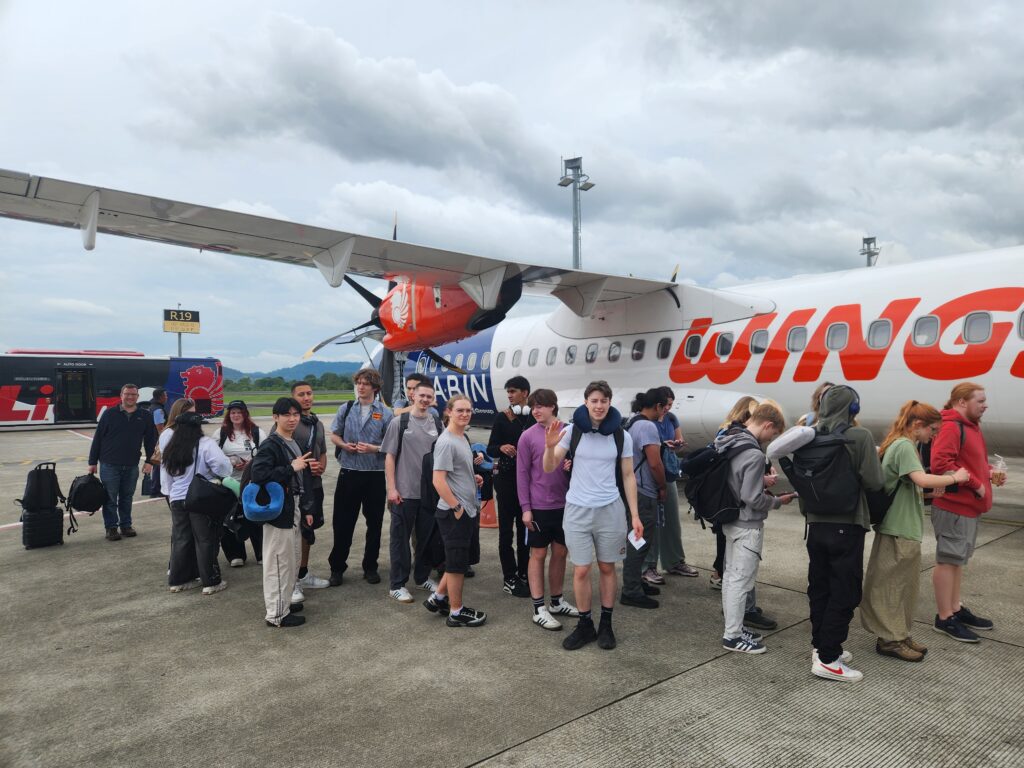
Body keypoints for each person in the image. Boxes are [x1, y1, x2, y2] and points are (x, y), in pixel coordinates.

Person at [861, 400, 970, 660]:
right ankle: (890, 640)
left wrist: (930, 492)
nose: (934, 436)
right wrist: (955, 478)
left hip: (902, 527)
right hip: (899, 528)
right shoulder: (904, 445)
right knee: (893, 587)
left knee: (901, 587)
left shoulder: (900, 443)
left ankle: (898, 634)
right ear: (918, 425)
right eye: (932, 430)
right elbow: (920, 478)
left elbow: (907, 485)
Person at [543, 381, 643, 651]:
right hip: (577, 509)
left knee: (608, 567)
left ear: (610, 402)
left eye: (604, 401)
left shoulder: (622, 436)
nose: (599, 406)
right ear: (586, 402)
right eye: (594, 400)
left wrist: (634, 515)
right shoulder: (571, 431)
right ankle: (585, 624)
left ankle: (606, 624)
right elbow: (549, 467)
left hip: (610, 509)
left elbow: (628, 476)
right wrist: (550, 447)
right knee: (582, 569)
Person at [803, 385, 883, 683]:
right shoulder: (859, 436)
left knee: (820, 586)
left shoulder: (807, 435)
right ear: (854, 409)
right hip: (847, 523)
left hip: (815, 524)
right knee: (845, 591)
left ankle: (821, 646)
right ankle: (828, 658)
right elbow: (874, 481)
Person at [715, 403, 795, 653]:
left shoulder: (731, 439)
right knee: (740, 582)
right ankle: (732, 636)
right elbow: (752, 498)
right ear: (768, 425)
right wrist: (777, 501)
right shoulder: (753, 454)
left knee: (731, 577)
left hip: (730, 518)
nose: (771, 439)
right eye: (773, 434)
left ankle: (735, 627)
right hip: (747, 524)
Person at [930, 382, 1003, 642]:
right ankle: (944, 618)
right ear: (962, 402)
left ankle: (955, 609)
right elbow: (940, 464)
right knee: (948, 560)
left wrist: (989, 472)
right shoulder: (952, 426)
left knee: (957, 560)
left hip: (968, 507)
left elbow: (969, 462)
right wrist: (976, 484)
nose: (985, 405)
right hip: (954, 507)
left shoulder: (970, 426)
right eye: (980, 401)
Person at [516, 389, 579, 630]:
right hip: (539, 506)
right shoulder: (527, 436)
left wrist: (572, 464)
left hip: (566, 504)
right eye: (533, 406)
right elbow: (522, 474)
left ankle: (556, 601)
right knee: (538, 554)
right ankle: (538, 607)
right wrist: (526, 508)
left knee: (560, 552)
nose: (536, 410)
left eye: (540, 406)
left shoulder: (569, 431)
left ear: (553, 406)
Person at [250, 397, 315, 628]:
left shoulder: (292, 442)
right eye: (286, 414)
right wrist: (290, 467)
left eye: (295, 414)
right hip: (279, 511)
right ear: (275, 417)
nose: (292, 419)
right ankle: (276, 614)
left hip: (293, 506)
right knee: (278, 562)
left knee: (291, 559)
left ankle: (284, 603)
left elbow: (300, 479)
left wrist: (306, 508)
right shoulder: (271, 444)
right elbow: (258, 475)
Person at [425, 394, 487, 627]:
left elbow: (455, 472)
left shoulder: (462, 437)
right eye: (460, 410)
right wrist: (457, 507)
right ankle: (456, 611)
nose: (465, 414)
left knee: (457, 559)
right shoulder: (446, 441)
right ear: (448, 412)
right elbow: (438, 480)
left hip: (465, 510)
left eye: (468, 410)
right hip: (455, 514)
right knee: (456, 564)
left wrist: (473, 478)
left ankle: (438, 597)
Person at [327, 368, 393, 586]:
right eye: (359, 383)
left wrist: (375, 449)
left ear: (375, 387)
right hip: (349, 472)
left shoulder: (385, 413)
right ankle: (337, 568)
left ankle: (370, 567)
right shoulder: (346, 408)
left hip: (374, 475)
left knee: (374, 524)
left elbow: (392, 445)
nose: (361, 387)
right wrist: (344, 445)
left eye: (365, 383)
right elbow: (334, 434)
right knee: (342, 523)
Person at [381, 380, 443, 603]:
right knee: (400, 539)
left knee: (425, 539)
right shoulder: (399, 422)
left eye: (429, 396)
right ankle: (397, 584)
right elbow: (389, 456)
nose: (425, 400)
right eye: (421, 395)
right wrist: (392, 488)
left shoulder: (437, 423)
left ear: (433, 399)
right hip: (404, 492)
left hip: (429, 493)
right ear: (412, 396)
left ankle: (422, 577)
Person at [161, 411, 233, 595]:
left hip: (177, 498)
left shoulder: (171, 447)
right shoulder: (205, 443)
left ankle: (179, 580)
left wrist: (171, 494)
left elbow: (166, 476)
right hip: (199, 498)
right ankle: (211, 581)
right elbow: (222, 467)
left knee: (181, 539)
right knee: (205, 539)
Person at [88, 383, 158, 541]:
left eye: (133, 394)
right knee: (110, 498)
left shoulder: (145, 416)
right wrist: (92, 462)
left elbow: (151, 441)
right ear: (121, 396)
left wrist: (150, 462)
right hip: (109, 464)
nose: (130, 397)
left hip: (131, 465)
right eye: (127, 394)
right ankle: (111, 527)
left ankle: (126, 525)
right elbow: (98, 438)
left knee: (127, 497)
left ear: (138, 397)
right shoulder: (109, 414)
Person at [642, 386, 698, 582]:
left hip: (668, 472)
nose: (667, 408)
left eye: (670, 405)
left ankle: (674, 561)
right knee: (651, 523)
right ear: (657, 404)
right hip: (650, 474)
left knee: (672, 521)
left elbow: (679, 439)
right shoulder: (646, 421)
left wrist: (677, 444)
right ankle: (648, 566)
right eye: (665, 405)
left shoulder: (671, 418)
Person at [488, 376, 536, 597]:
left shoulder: (534, 417)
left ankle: (525, 573)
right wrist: (501, 447)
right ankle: (509, 577)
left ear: (525, 393)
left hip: (529, 482)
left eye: (513, 391)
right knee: (506, 532)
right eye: (508, 391)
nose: (509, 395)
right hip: (506, 481)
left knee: (526, 530)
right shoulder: (502, 417)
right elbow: (491, 448)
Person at [621, 388, 669, 610]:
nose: (666, 412)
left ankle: (635, 582)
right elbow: (655, 463)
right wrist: (662, 486)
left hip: (633, 489)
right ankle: (631, 590)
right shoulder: (648, 427)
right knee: (639, 541)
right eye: (665, 407)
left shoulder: (632, 422)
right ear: (657, 406)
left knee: (636, 539)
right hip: (644, 491)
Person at [282, 381, 330, 598]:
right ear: (293, 398)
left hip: (314, 485)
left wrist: (321, 467)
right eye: (301, 394)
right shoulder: (290, 423)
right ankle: (291, 581)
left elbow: (323, 451)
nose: (306, 397)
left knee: (308, 531)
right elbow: (279, 454)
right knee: (292, 532)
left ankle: (302, 573)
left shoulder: (317, 423)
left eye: (309, 393)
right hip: (295, 487)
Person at [217, 400, 264, 567]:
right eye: (233, 412)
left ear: (245, 414)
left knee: (256, 517)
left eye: (239, 412)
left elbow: (266, 453)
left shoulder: (257, 432)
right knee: (229, 518)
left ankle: (261, 553)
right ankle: (235, 554)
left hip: (252, 482)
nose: (236, 415)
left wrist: (251, 463)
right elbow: (213, 457)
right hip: (229, 483)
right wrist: (230, 462)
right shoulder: (221, 433)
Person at [146, 388, 169, 497]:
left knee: (157, 464)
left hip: (154, 439)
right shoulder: (158, 410)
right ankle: (155, 489)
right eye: (165, 395)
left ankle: (156, 488)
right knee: (158, 465)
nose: (167, 397)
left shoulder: (153, 407)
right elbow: (160, 428)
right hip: (158, 441)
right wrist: (165, 440)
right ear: (160, 397)